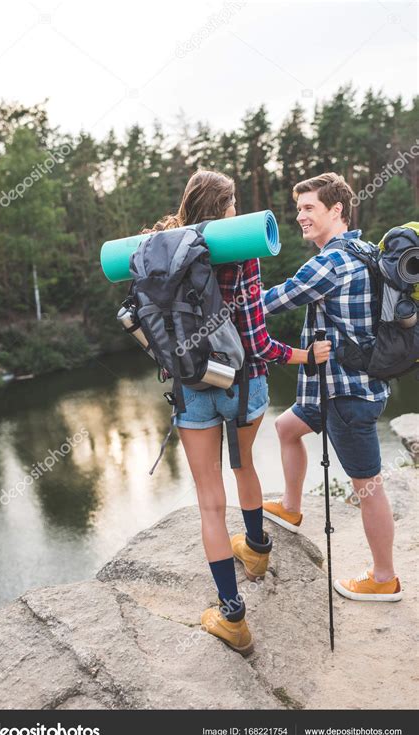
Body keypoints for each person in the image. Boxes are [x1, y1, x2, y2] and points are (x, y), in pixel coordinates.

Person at [144, 169, 331, 655]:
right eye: (232, 206)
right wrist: (305, 355)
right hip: (244, 382)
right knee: (244, 464)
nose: (236, 214)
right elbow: (258, 342)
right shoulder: (242, 251)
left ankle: (232, 618)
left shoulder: (160, 246)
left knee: (210, 500)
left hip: (192, 388)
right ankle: (257, 549)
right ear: (223, 209)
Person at [262, 172, 402, 602]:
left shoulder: (332, 261)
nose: (300, 216)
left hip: (347, 396)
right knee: (286, 428)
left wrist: (225, 300)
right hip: (333, 389)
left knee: (368, 487)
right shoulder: (363, 248)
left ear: (336, 209)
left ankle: (384, 578)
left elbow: (274, 301)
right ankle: (291, 505)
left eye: (309, 208)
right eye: (298, 207)